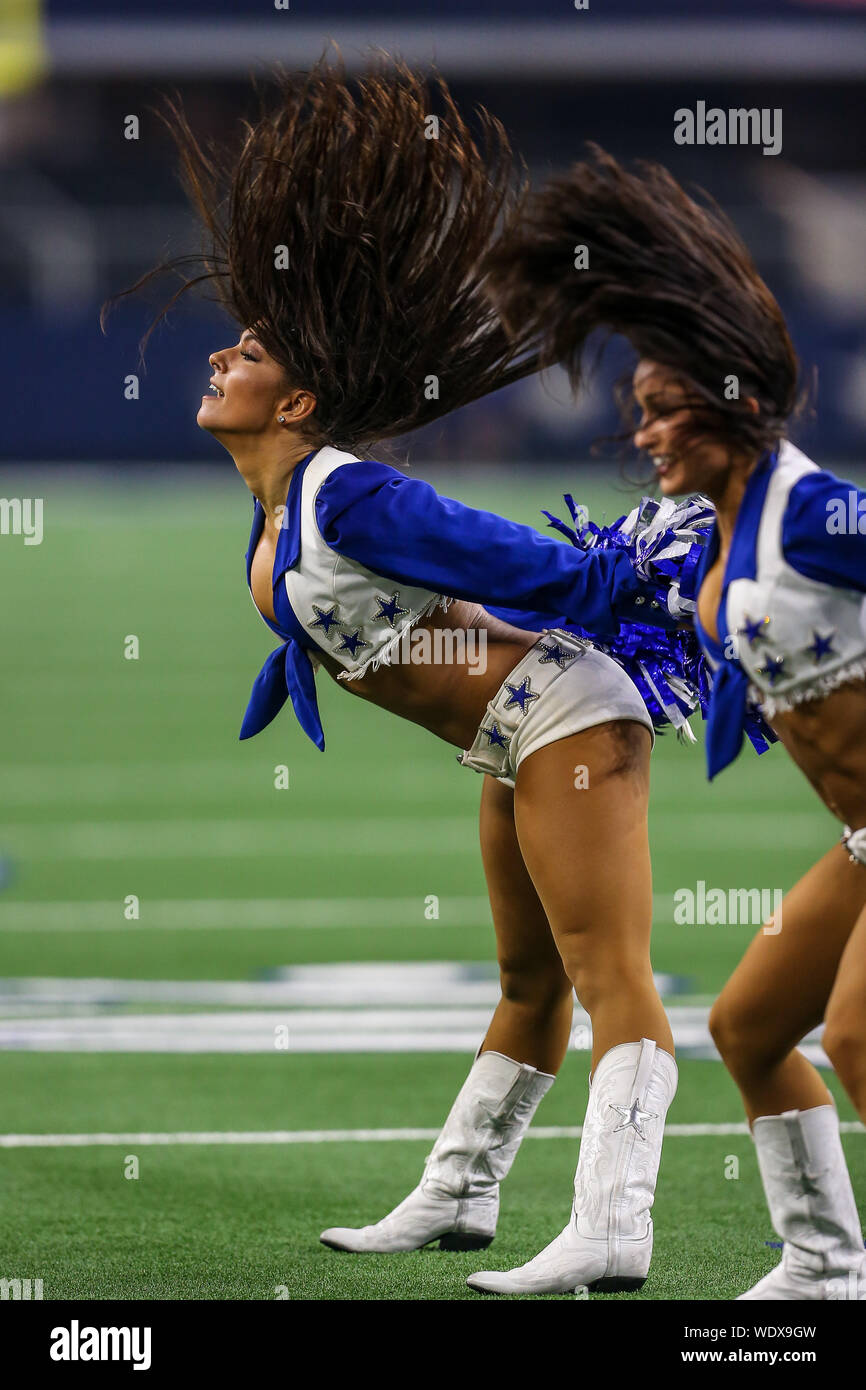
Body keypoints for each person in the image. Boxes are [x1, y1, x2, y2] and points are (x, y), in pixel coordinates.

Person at [112, 71, 700, 1296]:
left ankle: (612, 1224)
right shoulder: (278, 517)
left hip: (567, 716)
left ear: (302, 402)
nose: (223, 353)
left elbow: (521, 561)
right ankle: (457, 1195)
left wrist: (656, 577)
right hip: (510, 731)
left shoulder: (350, 492)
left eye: (252, 349)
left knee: (609, 977)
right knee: (528, 981)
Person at [485, 145, 866, 1299]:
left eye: (659, 412)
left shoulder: (814, 513)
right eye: (636, 412)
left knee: (850, 1035)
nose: (641, 435)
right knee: (750, 1027)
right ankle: (822, 1265)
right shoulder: (714, 524)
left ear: (729, 403)